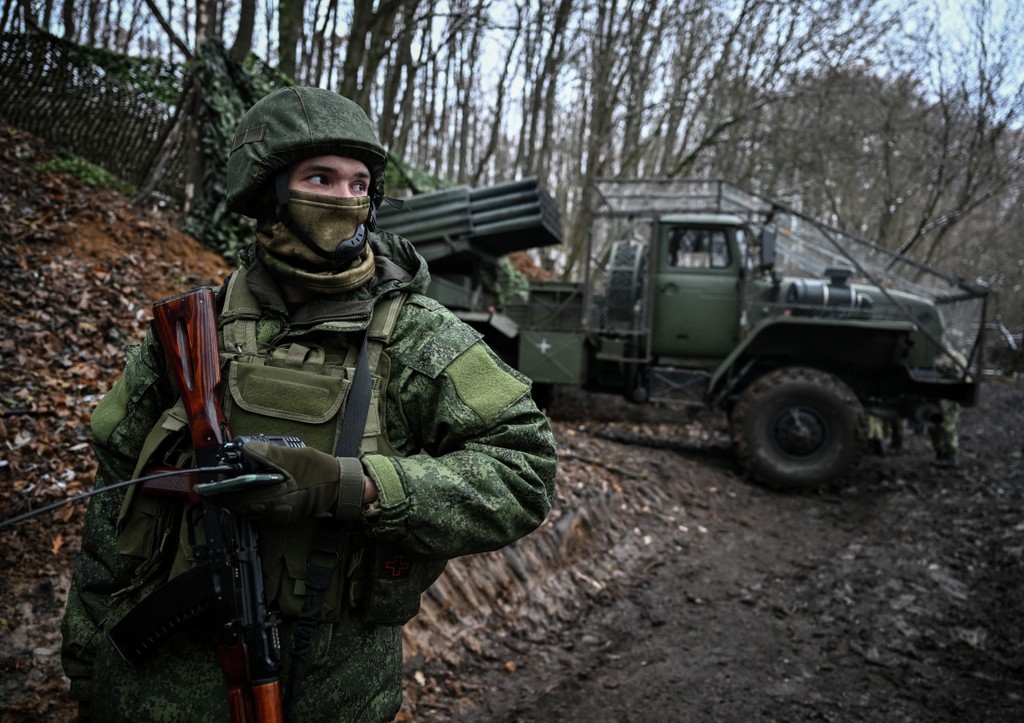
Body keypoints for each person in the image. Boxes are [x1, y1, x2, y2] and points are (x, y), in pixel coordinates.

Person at [61, 86, 558, 721]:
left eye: (358, 185)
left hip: (335, 685)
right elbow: (113, 498)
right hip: (158, 688)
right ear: (268, 191)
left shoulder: (419, 338)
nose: (344, 200)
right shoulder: (193, 335)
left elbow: (526, 471)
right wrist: (85, 669)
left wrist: (356, 485)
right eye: (320, 178)